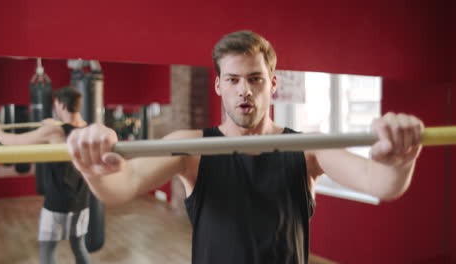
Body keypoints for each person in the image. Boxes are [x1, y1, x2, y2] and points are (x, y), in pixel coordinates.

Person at [66, 31, 423, 264]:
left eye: (255, 79)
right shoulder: (193, 148)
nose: (245, 90)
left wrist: (401, 159)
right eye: (234, 80)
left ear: (273, 84)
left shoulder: (307, 148)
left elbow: (382, 184)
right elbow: (121, 188)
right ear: (220, 86)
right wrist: (93, 167)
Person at [0, 86, 91, 264]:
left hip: (57, 204)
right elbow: (68, 127)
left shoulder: (55, 132)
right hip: (81, 202)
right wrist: (53, 124)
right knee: (79, 248)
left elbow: (13, 143)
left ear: (62, 105)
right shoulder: (88, 129)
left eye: (56, 105)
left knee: (47, 250)